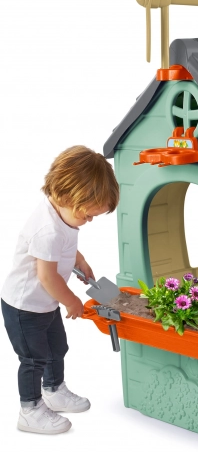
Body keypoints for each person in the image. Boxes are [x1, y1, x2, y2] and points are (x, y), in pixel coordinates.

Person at [1, 145, 119, 434]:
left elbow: (66, 244)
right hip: (25, 308)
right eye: (87, 216)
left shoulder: (62, 216)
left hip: (46, 303)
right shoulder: (47, 230)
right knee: (33, 359)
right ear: (68, 198)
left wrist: (80, 260)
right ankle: (30, 410)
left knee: (56, 348)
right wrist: (72, 301)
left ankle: (54, 390)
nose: (89, 222)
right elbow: (47, 277)